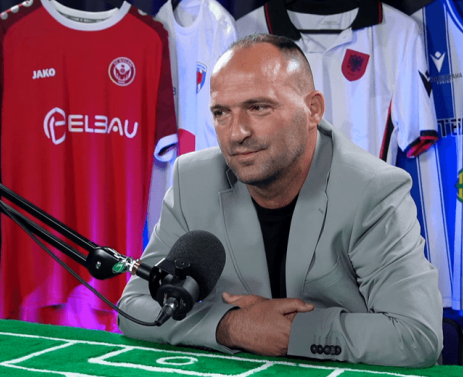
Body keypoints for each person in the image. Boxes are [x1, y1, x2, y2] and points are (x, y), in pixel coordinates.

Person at [118, 33, 443, 367]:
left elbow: (417, 335)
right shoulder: (192, 180)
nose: (236, 132)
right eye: (221, 112)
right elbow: (134, 308)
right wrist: (233, 326)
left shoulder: (373, 190)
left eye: (258, 107)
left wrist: (293, 334)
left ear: (313, 110)